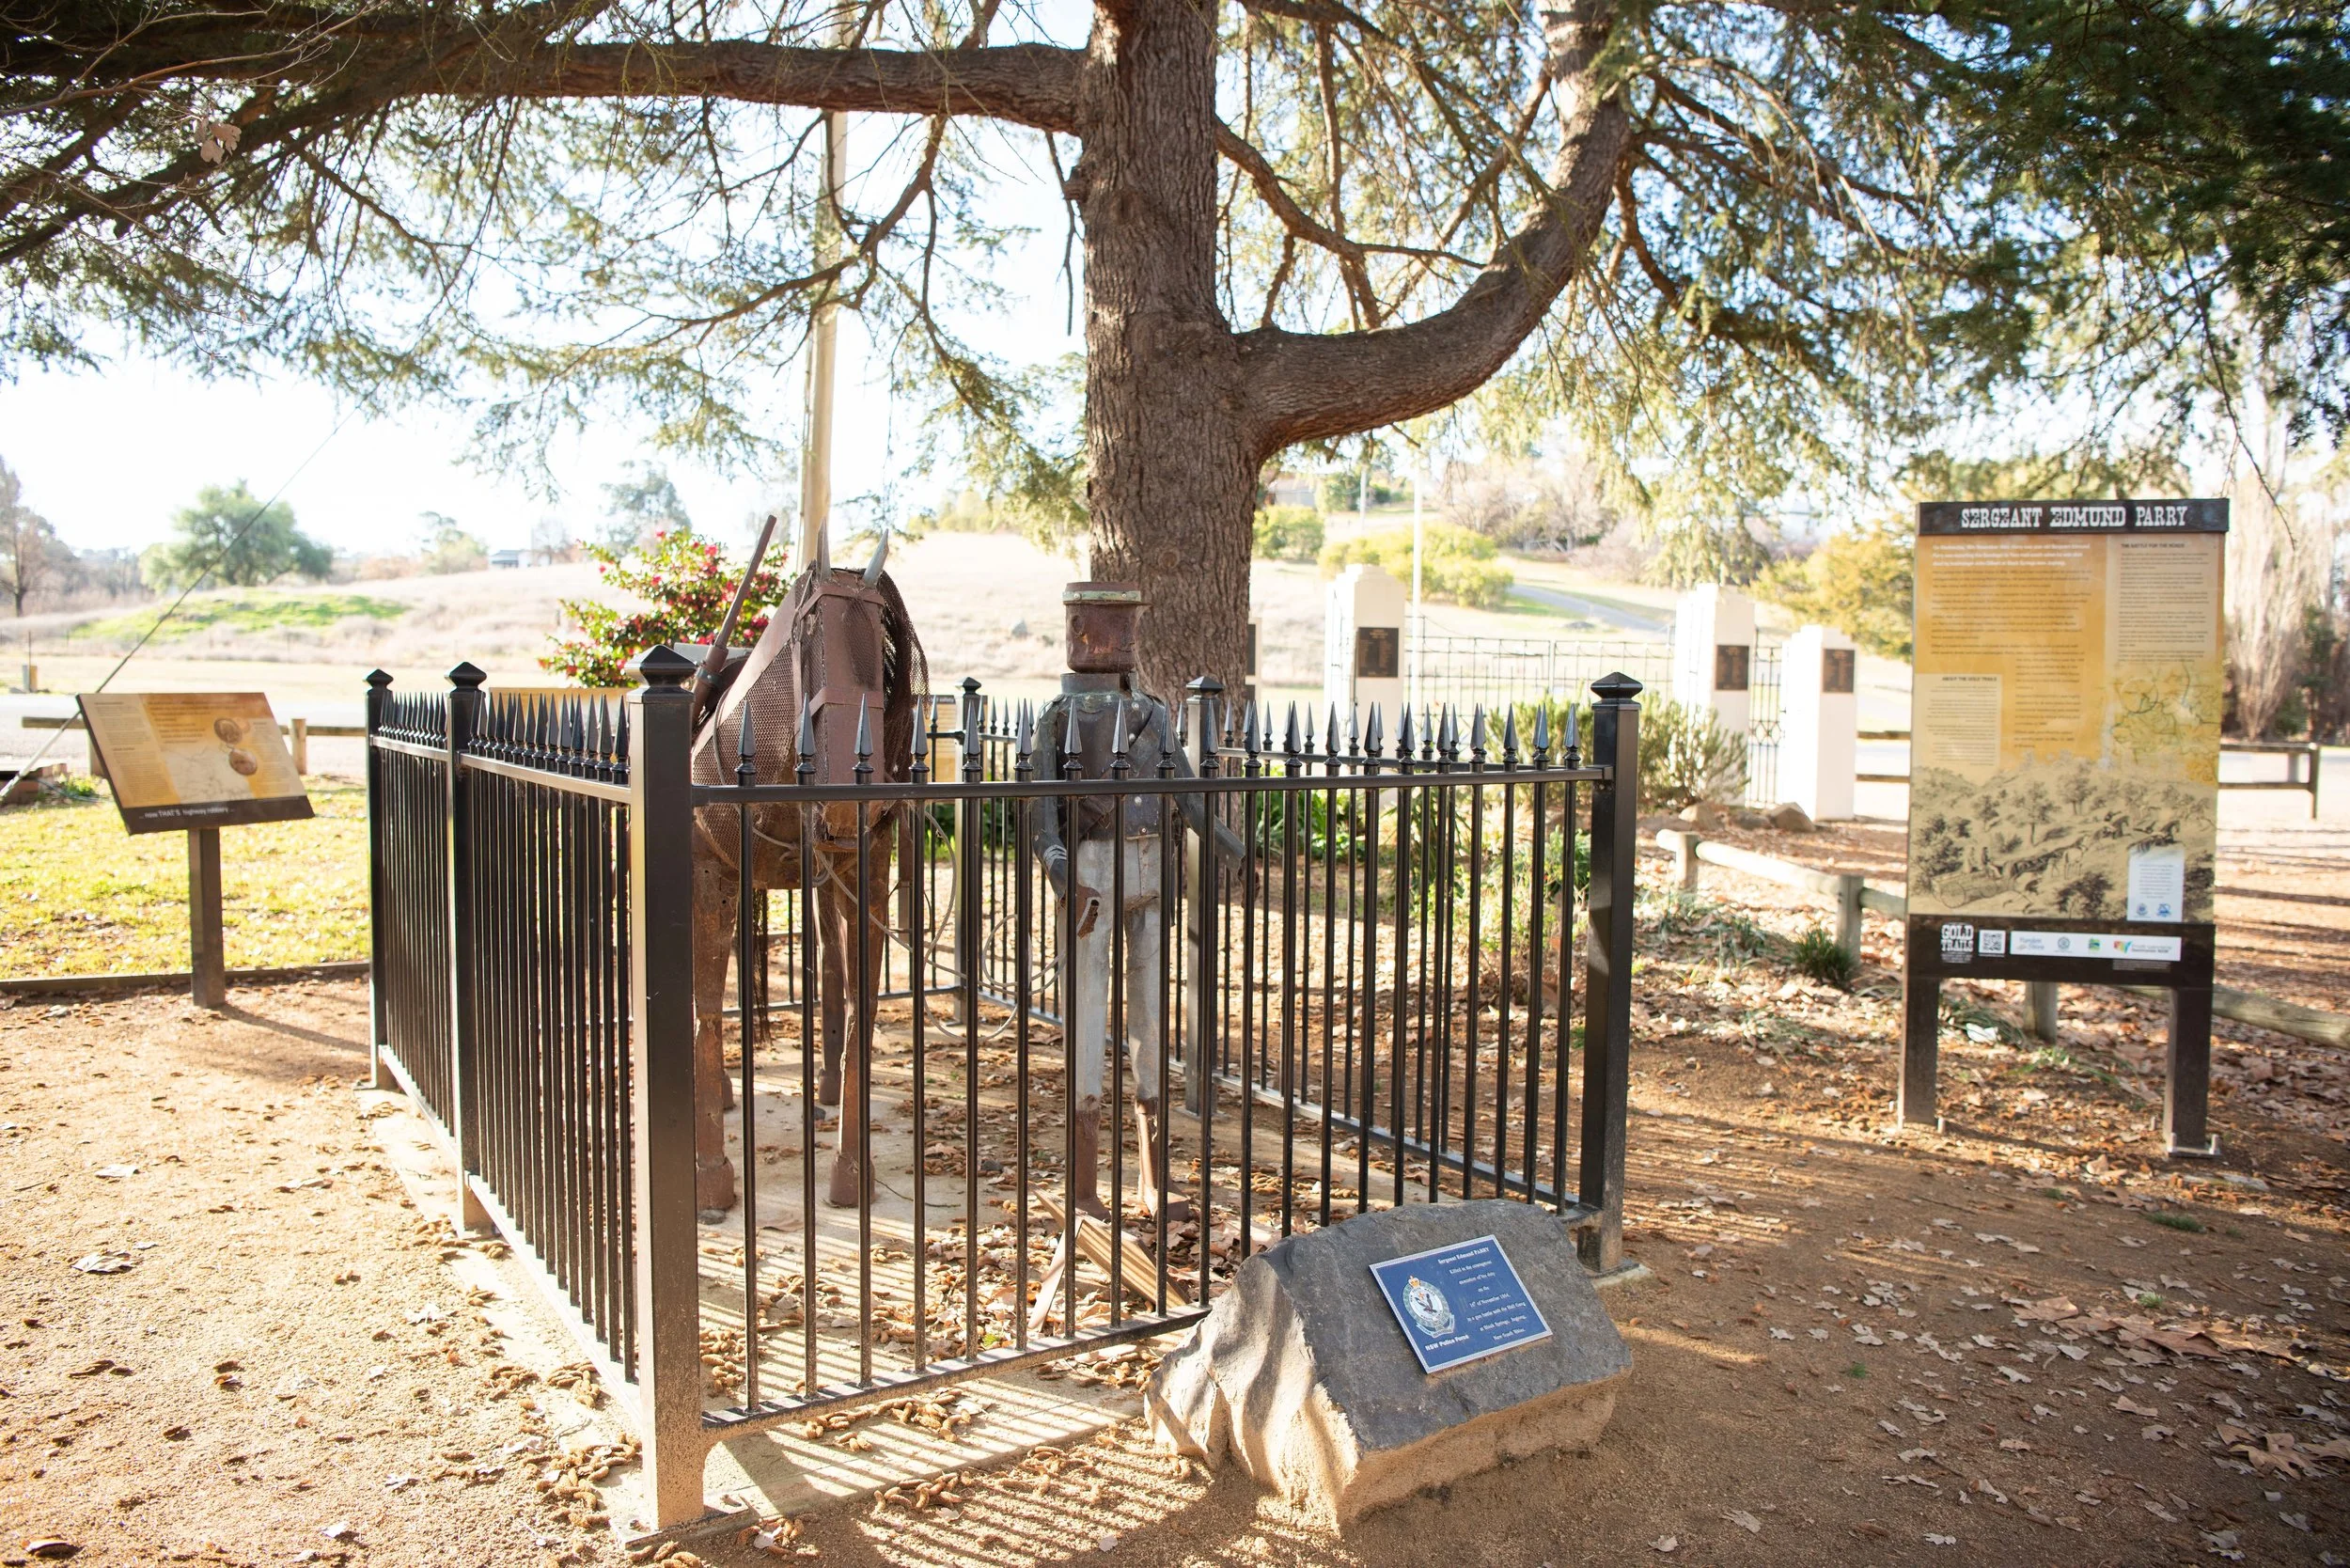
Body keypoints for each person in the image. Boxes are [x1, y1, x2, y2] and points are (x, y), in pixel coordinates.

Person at [1026, 583, 1241, 1222]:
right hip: (1091, 874)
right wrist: (1063, 873)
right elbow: (1041, 817)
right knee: (1088, 1023)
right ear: (1080, 630)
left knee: (1150, 1023)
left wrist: (1229, 843)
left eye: (1128, 626)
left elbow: (1186, 792)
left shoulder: (1151, 712)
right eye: (1112, 625)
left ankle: (1152, 1178)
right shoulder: (1057, 720)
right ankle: (1086, 1187)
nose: (1125, 638)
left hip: (1150, 872)